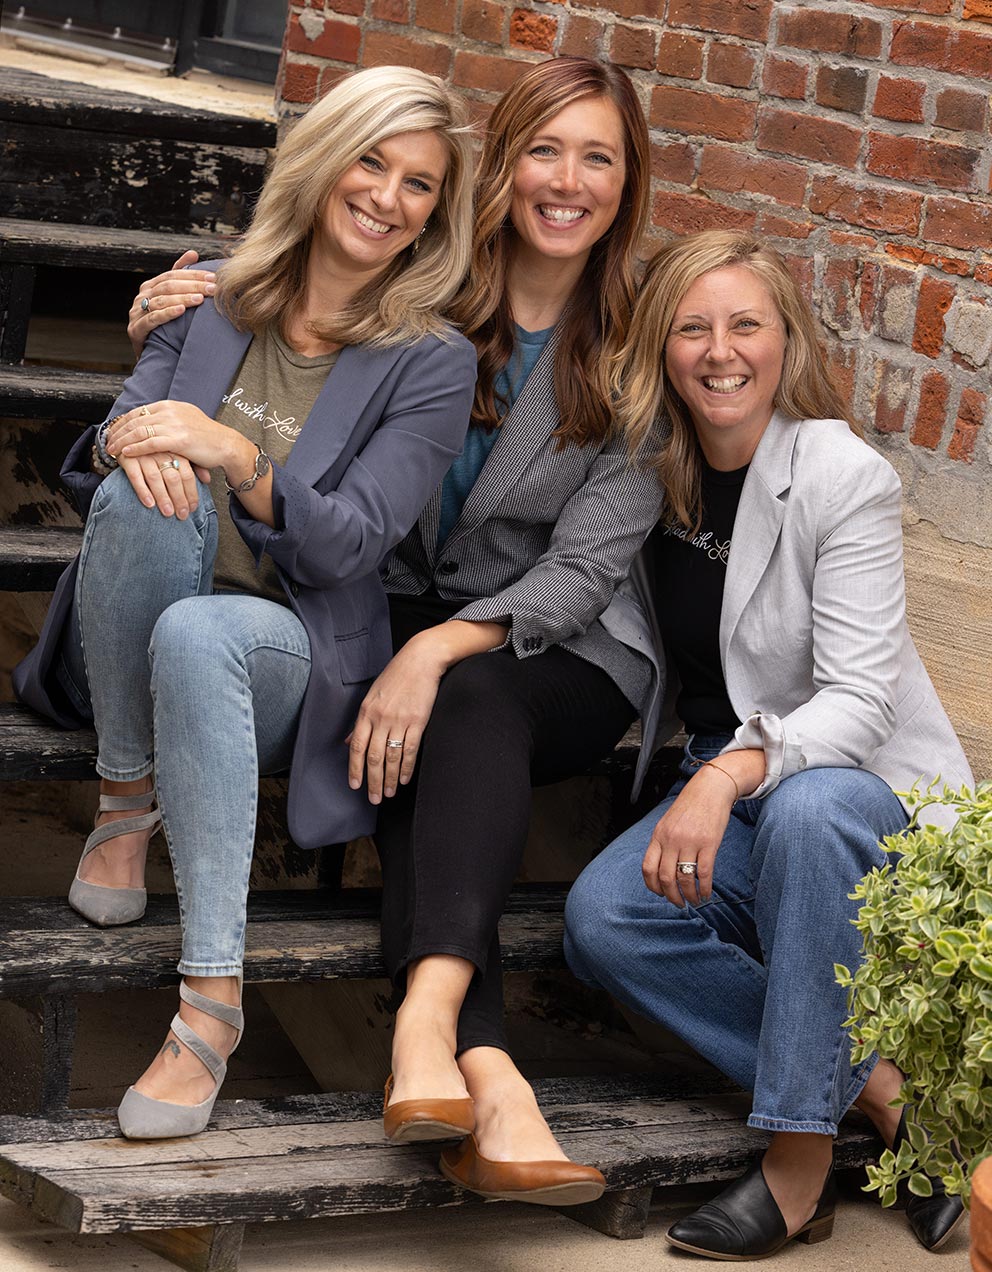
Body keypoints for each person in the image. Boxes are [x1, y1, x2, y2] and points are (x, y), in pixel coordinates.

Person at [127, 55, 661, 1201]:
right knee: (425, 726)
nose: (566, 181)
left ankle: (436, 1031)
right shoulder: (419, 293)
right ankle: (485, 1070)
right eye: (544, 149)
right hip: (389, 605)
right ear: (502, 164)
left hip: (561, 640)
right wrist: (180, 305)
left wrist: (431, 647)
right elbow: (283, 315)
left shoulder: (634, 336)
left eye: (598, 158)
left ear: (628, 183)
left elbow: (582, 568)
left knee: (453, 699)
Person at [14, 65, 478, 1141]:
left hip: (286, 644)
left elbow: (352, 544)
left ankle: (208, 1007)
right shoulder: (210, 295)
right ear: (325, 163)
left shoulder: (431, 360)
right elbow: (111, 444)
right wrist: (142, 436)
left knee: (201, 624)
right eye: (372, 160)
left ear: (432, 216)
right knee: (139, 495)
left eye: (419, 184)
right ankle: (126, 800)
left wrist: (236, 455)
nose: (387, 196)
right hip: (131, 627)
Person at [563, 229, 972, 1258]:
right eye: (691, 328)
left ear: (784, 342)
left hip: (855, 796)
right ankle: (890, 1099)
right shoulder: (643, 472)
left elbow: (860, 702)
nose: (719, 351)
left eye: (744, 324)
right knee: (605, 919)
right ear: (659, 347)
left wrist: (732, 772)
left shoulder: (840, 474)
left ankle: (794, 1165)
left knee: (806, 805)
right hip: (726, 780)